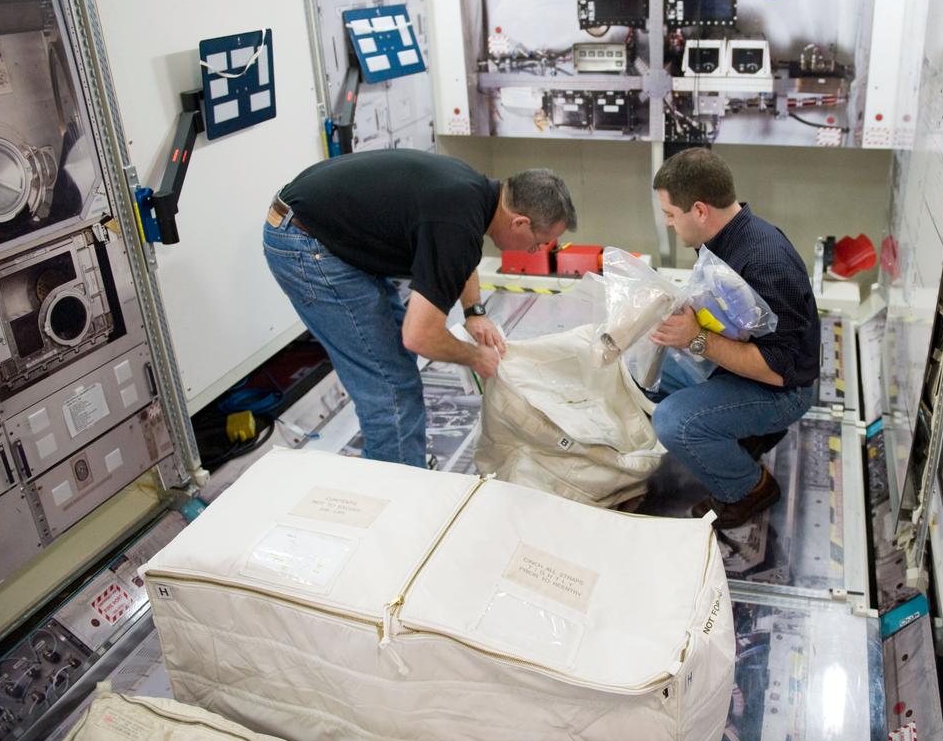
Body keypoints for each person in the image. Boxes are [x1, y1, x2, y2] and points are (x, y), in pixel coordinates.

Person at [263, 149, 575, 466]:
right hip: (305, 242)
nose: (537, 250)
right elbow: (420, 336)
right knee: (391, 387)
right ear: (520, 223)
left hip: (315, 224)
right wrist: (475, 356)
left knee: (394, 360)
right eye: (540, 241)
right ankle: (394, 485)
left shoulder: (475, 194)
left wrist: (474, 312)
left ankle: (396, 458)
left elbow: (459, 254)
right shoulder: (457, 222)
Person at [648, 148, 819, 528]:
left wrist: (696, 339)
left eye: (671, 216)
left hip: (784, 391)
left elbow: (781, 372)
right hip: (742, 367)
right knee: (646, 373)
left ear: (700, 210)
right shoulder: (725, 238)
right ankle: (739, 439)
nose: (670, 225)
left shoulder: (765, 260)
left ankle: (748, 488)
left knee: (674, 421)